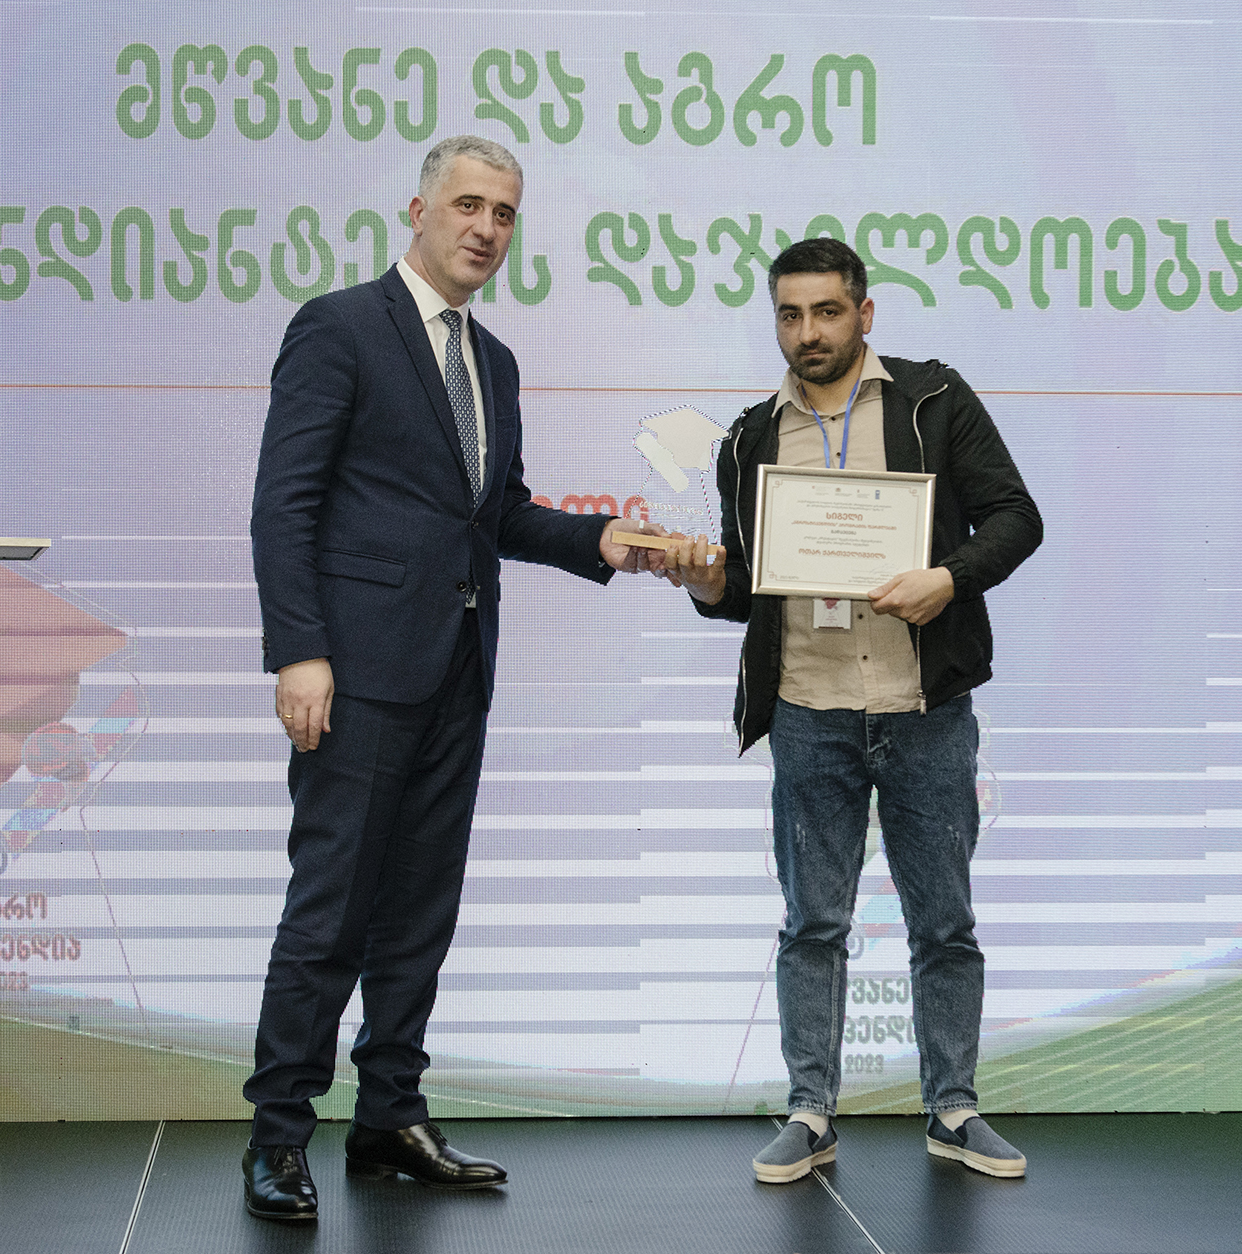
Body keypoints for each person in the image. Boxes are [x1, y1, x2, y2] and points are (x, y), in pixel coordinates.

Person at [244, 135, 665, 1221]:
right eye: (469, 205)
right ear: (418, 209)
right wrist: (299, 651)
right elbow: (284, 502)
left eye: (505, 213)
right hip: (355, 675)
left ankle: (389, 1114)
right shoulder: (340, 326)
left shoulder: (496, 362)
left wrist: (602, 539)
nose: (486, 228)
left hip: (457, 672)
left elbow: (497, 512)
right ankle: (279, 1133)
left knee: (421, 911)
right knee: (330, 911)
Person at [661, 238, 1042, 1183]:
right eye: (790, 315)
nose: (809, 333)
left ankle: (953, 1109)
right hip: (809, 708)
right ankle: (810, 1112)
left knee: (943, 923)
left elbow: (1016, 518)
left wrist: (948, 578)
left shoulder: (932, 399)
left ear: (864, 314)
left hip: (923, 707)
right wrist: (706, 585)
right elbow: (747, 587)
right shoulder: (749, 439)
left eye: (827, 312)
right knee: (811, 925)